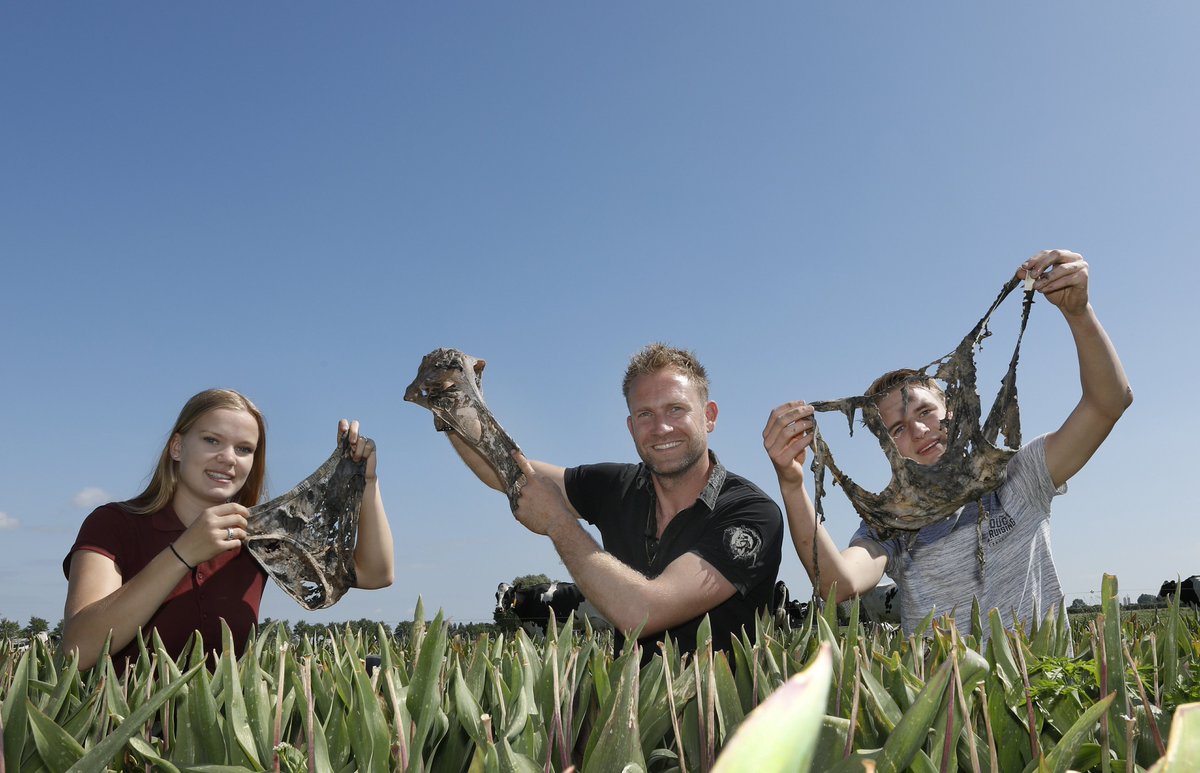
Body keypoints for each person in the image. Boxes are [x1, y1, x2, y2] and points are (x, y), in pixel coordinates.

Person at [763, 250, 1132, 636]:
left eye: (925, 412)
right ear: (890, 449)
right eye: (899, 429)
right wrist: (791, 482)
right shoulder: (893, 523)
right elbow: (835, 584)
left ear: (951, 411)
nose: (919, 431)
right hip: (941, 694)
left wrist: (1079, 313)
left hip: (1035, 687)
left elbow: (1109, 402)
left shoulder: (1019, 477)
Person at [450, 343, 783, 660]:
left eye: (676, 409)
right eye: (645, 415)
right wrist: (452, 405)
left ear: (709, 416)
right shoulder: (617, 487)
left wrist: (558, 523)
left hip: (719, 716)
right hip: (632, 715)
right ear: (631, 426)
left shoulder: (750, 514)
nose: (661, 428)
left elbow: (642, 613)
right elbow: (511, 473)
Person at [62, 388, 394, 670]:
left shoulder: (258, 535)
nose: (228, 458)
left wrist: (367, 481)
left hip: (228, 740)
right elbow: (80, 650)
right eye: (212, 440)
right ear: (177, 447)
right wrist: (183, 553)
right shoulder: (114, 523)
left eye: (244, 449)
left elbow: (374, 573)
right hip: (128, 737)